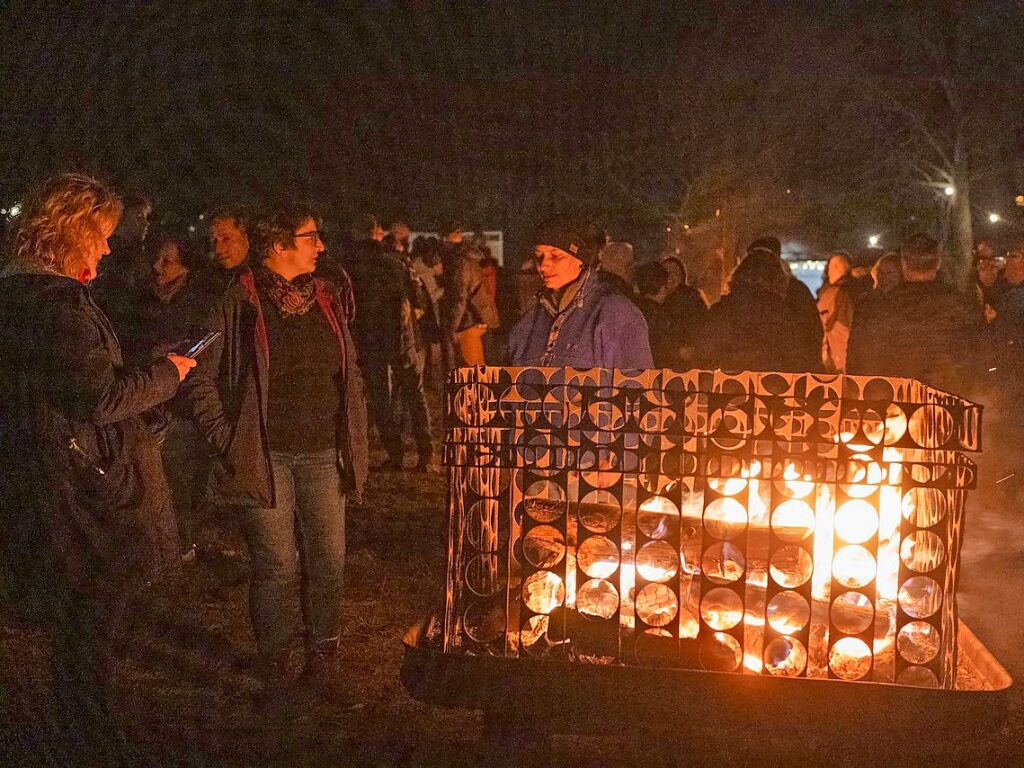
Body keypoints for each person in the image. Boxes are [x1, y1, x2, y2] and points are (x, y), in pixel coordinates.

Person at [0, 173, 195, 762]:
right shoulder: (52, 305)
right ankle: (90, 740)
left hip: (56, 474)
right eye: (102, 236)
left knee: (84, 621)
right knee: (91, 622)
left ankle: (85, 731)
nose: (109, 249)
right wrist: (168, 376)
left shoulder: (24, 298)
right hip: (84, 489)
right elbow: (97, 398)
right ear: (69, 233)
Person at [184, 204, 368, 697]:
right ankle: (276, 664)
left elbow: (350, 371)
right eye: (311, 238)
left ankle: (323, 661)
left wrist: (355, 434)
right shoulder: (238, 301)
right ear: (279, 246)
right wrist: (227, 438)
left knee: (329, 558)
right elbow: (197, 373)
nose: (321, 246)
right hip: (264, 457)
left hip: (324, 454)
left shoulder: (327, 298)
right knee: (277, 563)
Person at [507, 216, 652, 368]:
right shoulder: (528, 321)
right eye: (539, 256)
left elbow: (636, 385)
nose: (543, 266)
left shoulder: (615, 313)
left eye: (556, 256)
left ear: (581, 258)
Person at [848, 233, 979, 396]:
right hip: (945, 404)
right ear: (938, 263)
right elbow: (974, 357)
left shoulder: (878, 307)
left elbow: (860, 361)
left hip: (894, 406)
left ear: (903, 264)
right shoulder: (961, 305)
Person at [694, 250, 819, 373]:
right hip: (772, 387)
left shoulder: (722, 311)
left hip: (728, 385)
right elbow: (797, 357)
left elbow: (704, 350)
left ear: (739, 275)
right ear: (777, 279)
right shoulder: (784, 314)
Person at [443, 222, 499, 366]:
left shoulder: (461, 263)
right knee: (480, 372)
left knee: (473, 375)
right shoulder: (469, 260)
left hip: (470, 323)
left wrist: (452, 327)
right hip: (479, 319)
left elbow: (460, 297)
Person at [816, 251, 856, 372]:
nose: (828, 272)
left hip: (838, 353)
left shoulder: (833, 292)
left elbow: (821, 322)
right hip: (855, 350)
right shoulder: (857, 289)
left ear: (836, 268)